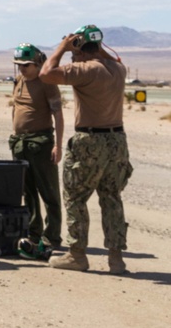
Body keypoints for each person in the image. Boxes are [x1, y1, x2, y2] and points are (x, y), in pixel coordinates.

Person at [40, 26, 132, 274]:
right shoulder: (118, 69)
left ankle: (77, 255)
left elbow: (46, 73)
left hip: (89, 141)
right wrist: (92, 44)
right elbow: (109, 58)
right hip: (117, 141)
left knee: (75, 198)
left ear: (80, 50)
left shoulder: (85, 70)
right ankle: (116, 259)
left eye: (74, 52)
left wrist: (62, 48)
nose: (72, 57)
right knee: (112, 198)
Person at [9, 44, 64, 260]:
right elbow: (16, 108)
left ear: (37, 63)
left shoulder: (47, 83)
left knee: (48, 192)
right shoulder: (19, 81)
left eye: (26, 65)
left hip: (41, 144)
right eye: (19, 65)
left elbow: (58, 115)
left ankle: (52, 236)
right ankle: (34, 233)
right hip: (20, 144)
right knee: (28, 192)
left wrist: (57, 145)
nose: (22, 69)